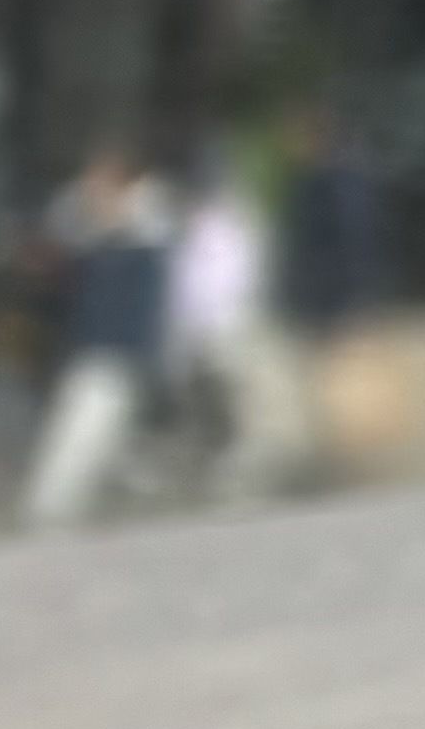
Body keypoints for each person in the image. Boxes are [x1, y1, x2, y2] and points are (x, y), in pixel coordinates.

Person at [23, 148, 177, 533]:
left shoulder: (141, 242)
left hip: (113, 357)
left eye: (98, 185)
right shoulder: (101, 241)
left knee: (79, 443)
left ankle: (50, 515)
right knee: (101, 445)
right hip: (97, 353)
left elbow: (146, 312)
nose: (90, 195)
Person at [272, 104, 396, 485]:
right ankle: (324, 460)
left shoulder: (337, 181)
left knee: (331, 382)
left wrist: (355, 303)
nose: (288, 143)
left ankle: (330, 466)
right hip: (319, 299)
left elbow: (354, 242)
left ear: (315, 137)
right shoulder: (317, 177)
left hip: (330, 302)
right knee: (318, 383)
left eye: (295, 135)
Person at [169, 155, 295, 505]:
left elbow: (230, 284)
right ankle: (221, 488)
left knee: (242, 414)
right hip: (203, 339)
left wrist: (223, 330)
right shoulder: (197, 229)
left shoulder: (229, 227)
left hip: (228, 333)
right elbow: (188, 291)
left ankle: (242, 489)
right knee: (212, 418)